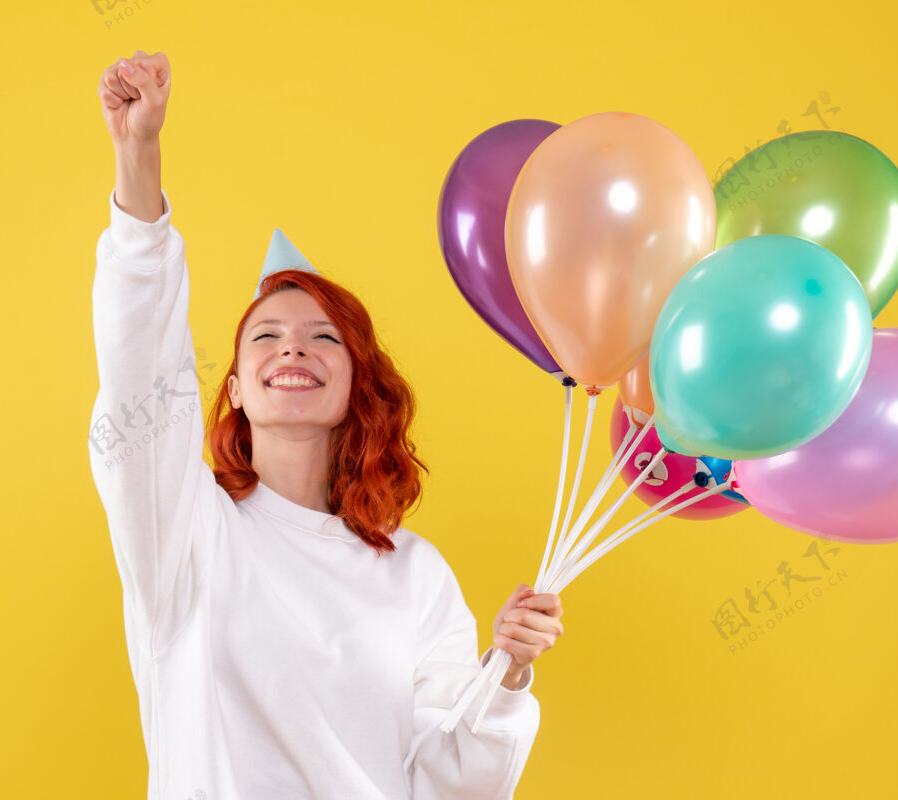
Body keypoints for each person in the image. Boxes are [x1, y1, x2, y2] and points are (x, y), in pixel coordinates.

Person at [88, 50, 565, 799]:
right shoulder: (184, 533)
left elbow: (450, 784)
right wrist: (138, 155)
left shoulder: (415, 574)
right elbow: (140, 374)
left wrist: (507, 674)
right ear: (236, 388)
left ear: (356, 385)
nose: (293, 349)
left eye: (323, 336)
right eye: (267, 336)